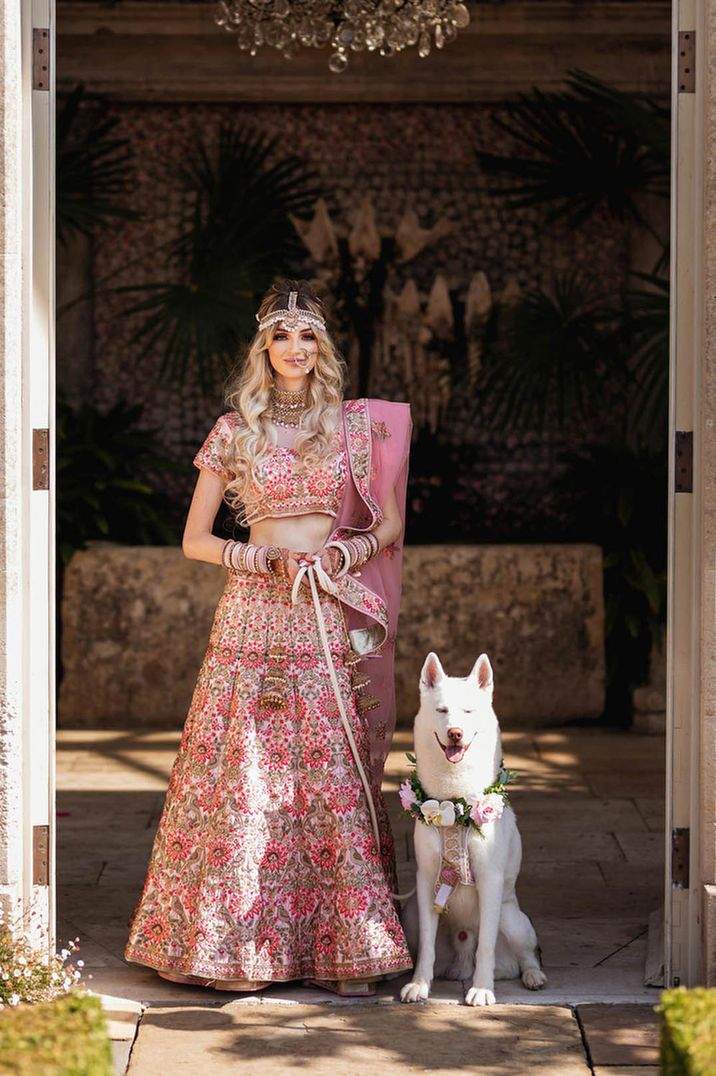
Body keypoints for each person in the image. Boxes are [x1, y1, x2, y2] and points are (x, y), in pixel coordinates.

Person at [124, 279, 414, 996]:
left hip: (320, 610)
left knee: (328, 773)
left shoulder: (352, 428)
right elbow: (194, 539)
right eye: (280, 335)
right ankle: (236, 953)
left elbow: (391, 525)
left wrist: (342, 556)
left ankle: (349, 949)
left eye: (307, 335)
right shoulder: (234, 429)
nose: (294, 347)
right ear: (264, 347)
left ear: (322, 348)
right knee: (243, 776)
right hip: (251, 612)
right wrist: (259, 558)